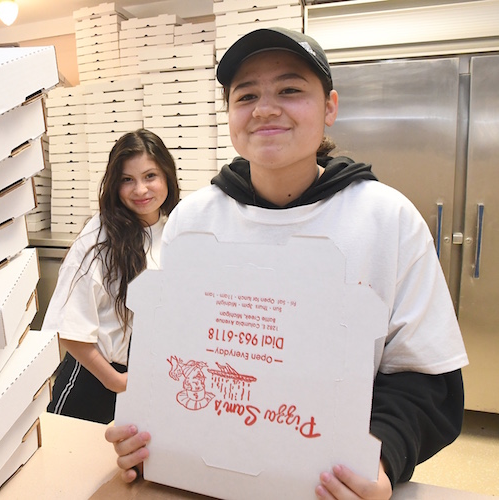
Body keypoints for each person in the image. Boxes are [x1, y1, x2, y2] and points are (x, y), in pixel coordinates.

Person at [105, 27, 468, 499]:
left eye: (290, 90)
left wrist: (380, 460)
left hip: (324, 488)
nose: (265, 108)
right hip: (198, 480)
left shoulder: (386, 218)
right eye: (246, 95)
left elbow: (428, 381)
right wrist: (145, 427)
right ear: (231, 115)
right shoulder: (194, 221)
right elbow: (171, 360)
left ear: (330, 108)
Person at [44, 129, 180, 424]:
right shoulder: (99, 237)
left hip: (150, 380)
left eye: (150, 176)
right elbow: (70, 327)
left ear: (167, 177)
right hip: (95, 380)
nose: (140, 190)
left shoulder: (176, 233)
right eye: (127, 180)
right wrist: (115, 382)